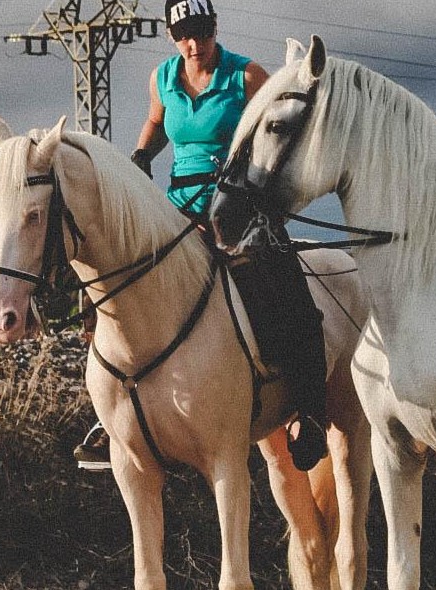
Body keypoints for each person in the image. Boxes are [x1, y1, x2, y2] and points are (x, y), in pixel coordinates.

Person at [73, 0, 331, 471]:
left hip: (238, 204)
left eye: (201, 33)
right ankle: (109, 414)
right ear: (172, 37)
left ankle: (306, 408)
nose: (193, 45)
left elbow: (284, 128)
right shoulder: (163, 79)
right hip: (177, 208)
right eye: (182, 36)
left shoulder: (247, 76)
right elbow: (156, 123)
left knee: (283, 281)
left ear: (214, 28)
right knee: (109, 282)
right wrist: (141, 155)